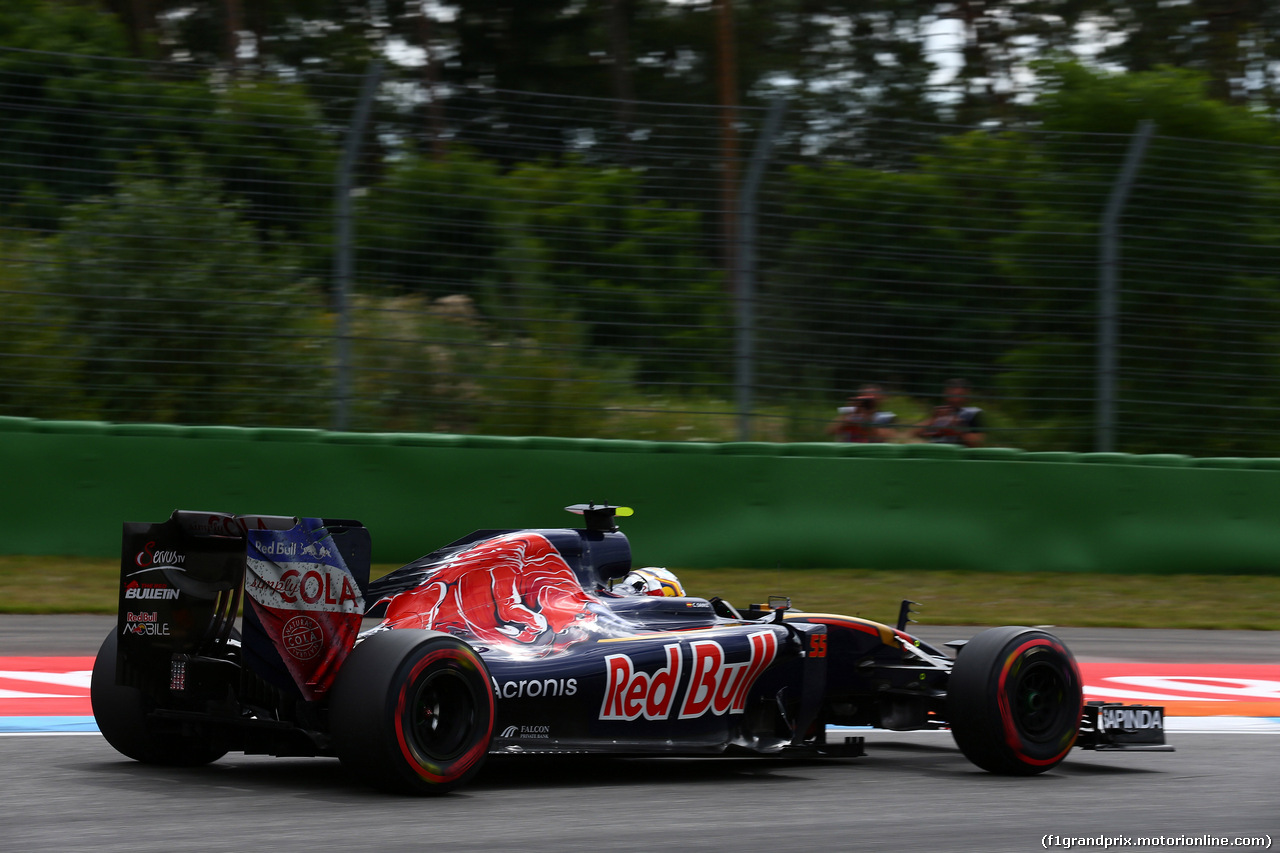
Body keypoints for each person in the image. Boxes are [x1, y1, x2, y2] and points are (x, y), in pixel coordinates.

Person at [915, 379, 984, 447]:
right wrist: (933, 419)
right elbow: (911, 434)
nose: (955, 399)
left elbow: (977, 443)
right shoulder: (940, 412)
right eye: (951, 395)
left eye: (959, 395)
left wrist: (957, 427)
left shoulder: (973, 413)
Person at [826, 384, 896, 443]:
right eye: (865, 398)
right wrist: (851, 414)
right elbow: (830, 431)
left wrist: (867, 418)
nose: (867, 402)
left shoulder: (885, 416)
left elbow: (886, 436)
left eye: (871, 399)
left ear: (880, 399)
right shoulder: (849, 413)